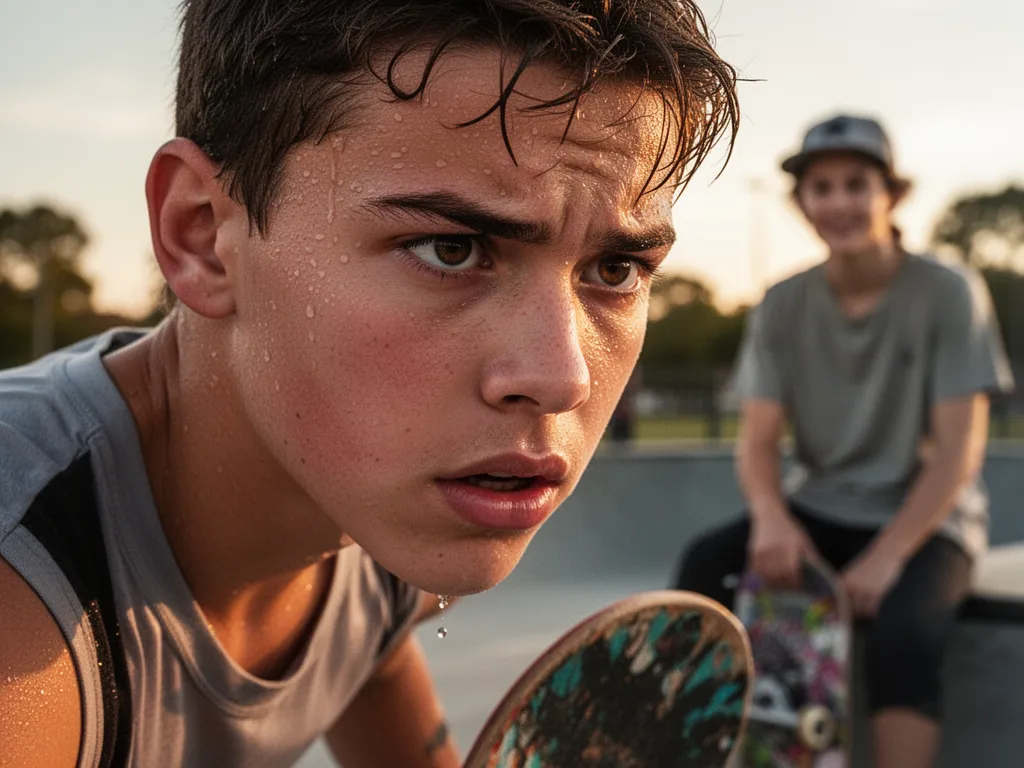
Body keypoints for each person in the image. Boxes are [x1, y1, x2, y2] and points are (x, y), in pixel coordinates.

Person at [0, 2, 738, 766]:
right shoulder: (19, 612)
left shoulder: (370, 529)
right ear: (202, 235)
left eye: (614, 270)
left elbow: (374, 678)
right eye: (451, 249)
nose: (561, 377)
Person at [673, 114, 1014, 768]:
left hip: (926, 520)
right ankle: (702, 749)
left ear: (892, 195)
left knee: (905, 633)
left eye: (857, 185)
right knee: (703, 567)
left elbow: (958, 451)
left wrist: (890, 555)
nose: (839, 203)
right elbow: (759, 441)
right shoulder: (781, 304)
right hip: (821, 505)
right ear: (802, 202)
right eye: (821, 188)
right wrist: (772, 519)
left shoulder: (947, 291)